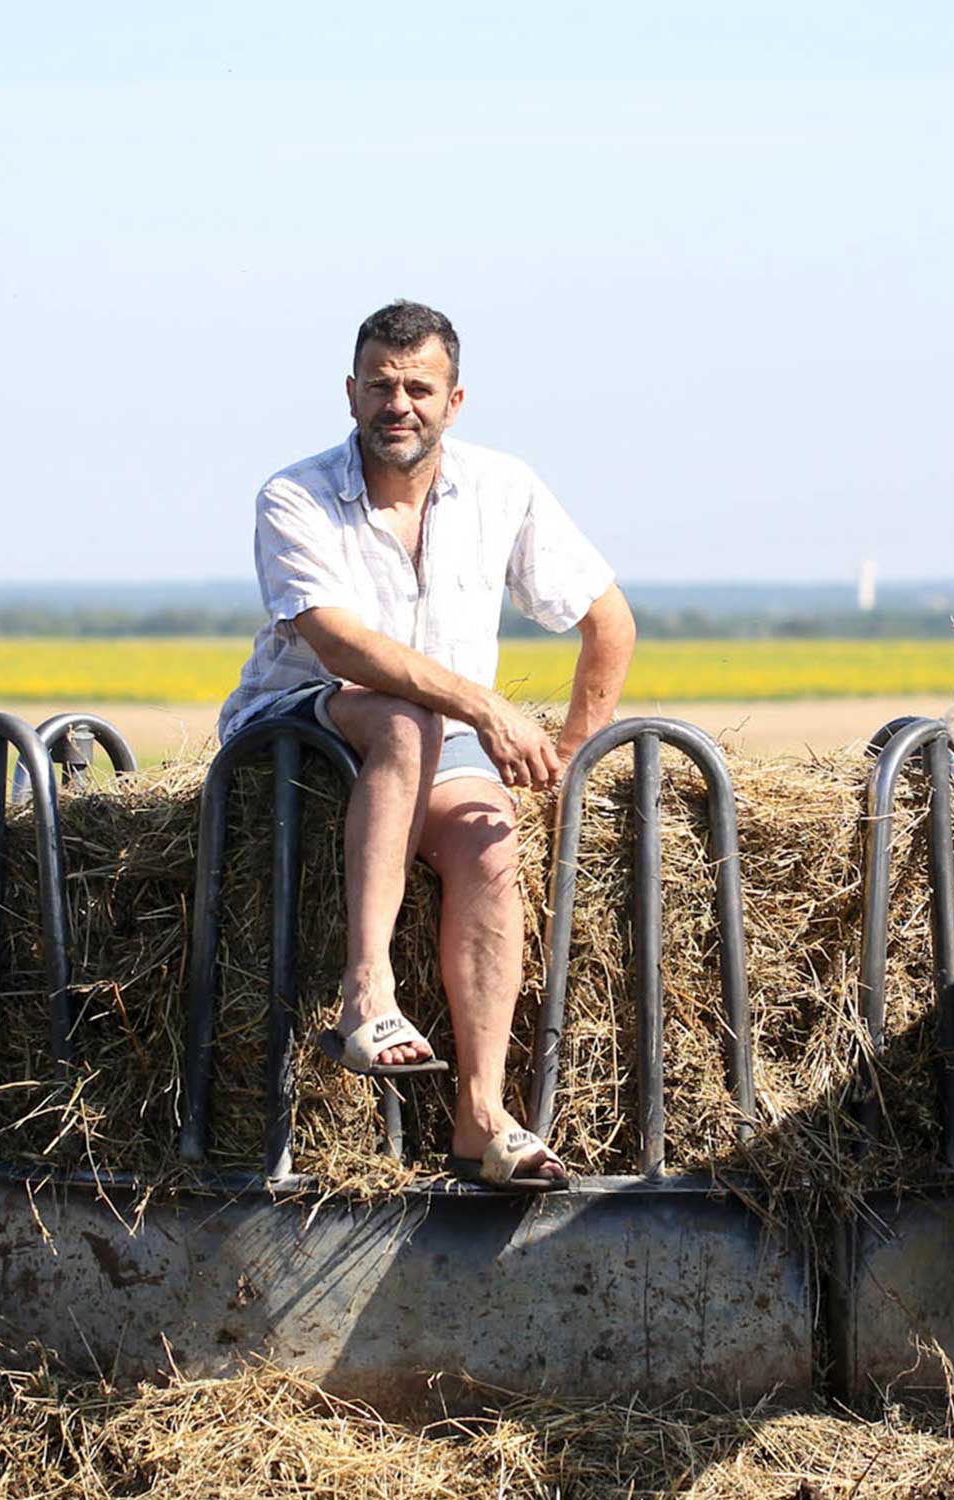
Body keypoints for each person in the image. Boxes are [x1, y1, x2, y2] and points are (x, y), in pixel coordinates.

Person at [217, 300, 635, 1192]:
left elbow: (609, 622)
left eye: (417, 387)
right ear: (349, 392)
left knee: (491, 831)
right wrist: (487, 708)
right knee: (403, 716)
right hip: (294, 734)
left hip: (433, 745)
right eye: (379, 386)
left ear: (455, 399)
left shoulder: (504, 487)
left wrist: (568, 758)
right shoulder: (293, 494)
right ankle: (366, 995)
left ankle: (482, 1119)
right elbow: (338, 645)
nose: (396, 403)